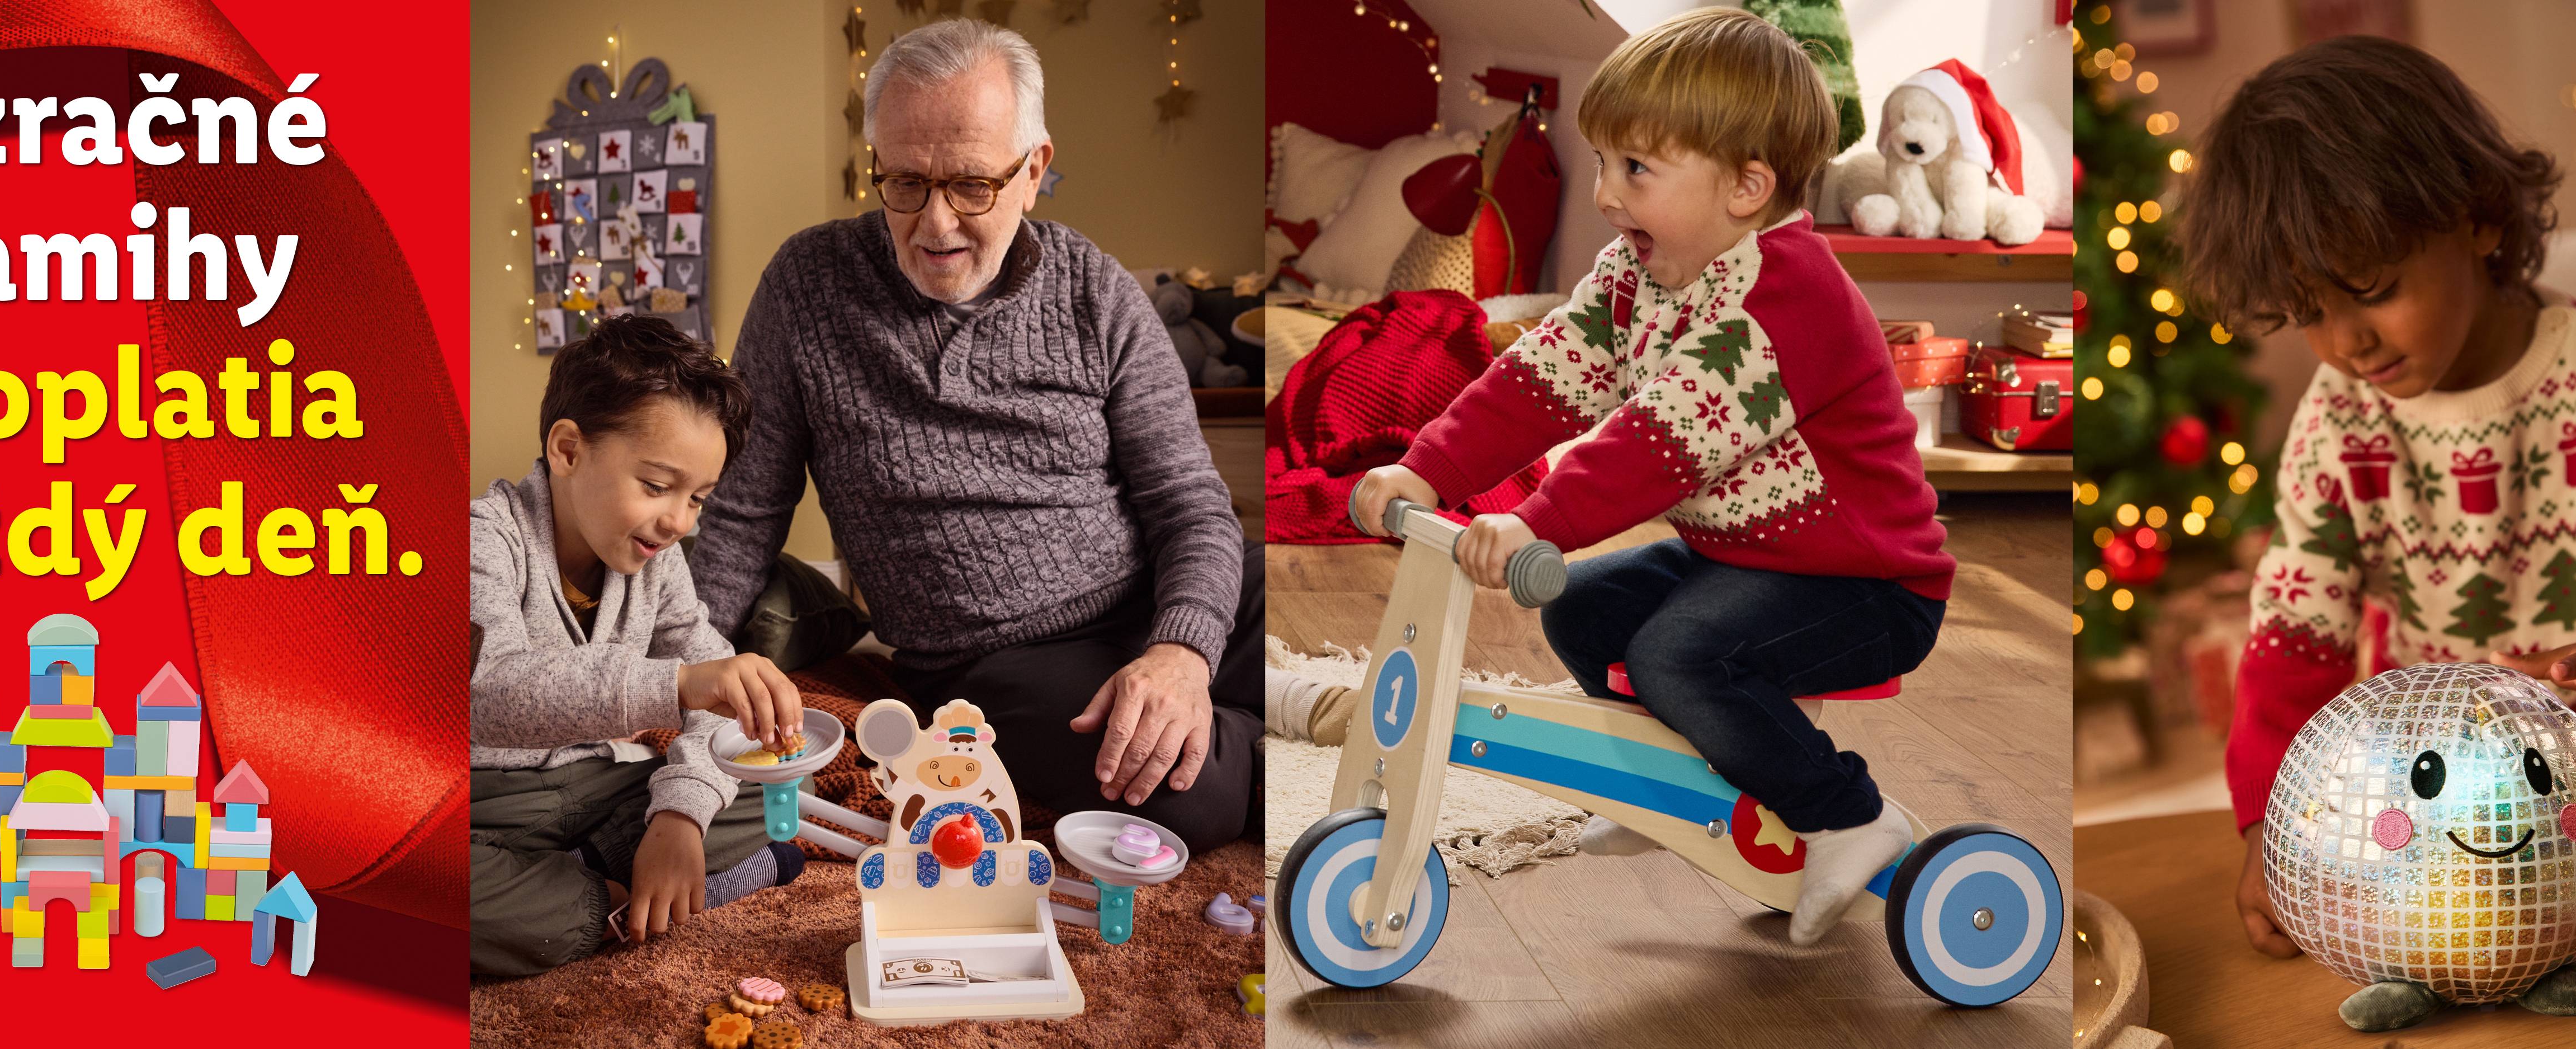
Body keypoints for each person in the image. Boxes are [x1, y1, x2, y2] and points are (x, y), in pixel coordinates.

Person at [1342, 7, 1955, 945]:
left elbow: (1658, 439)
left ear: (1746, 186)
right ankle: (1665, 783)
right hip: (1747, 558)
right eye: (1603, 163)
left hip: (1866, 585)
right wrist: (1426, 468)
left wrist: (1538, 520)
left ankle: (1850, 817)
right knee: (1583, 610)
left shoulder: (1787, 299)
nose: (1604, 196)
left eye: (1635, 170)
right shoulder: (1639, 273)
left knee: (1678, 652)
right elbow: (1540, 380)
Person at [2186, 36, 2576, 980]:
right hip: (2429, 778)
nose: (2345, 342)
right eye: (2307, 312)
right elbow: (2295, 630)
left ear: (2475, 218)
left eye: (2373, 292)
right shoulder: (2339, 418)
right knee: (2460, 966)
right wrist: (2267, 821)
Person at [690, 19, 1260, 855]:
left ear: (1033, 170)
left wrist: (1180, 649)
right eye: (906, 182)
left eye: (969, 185)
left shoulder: (1094, 289)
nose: (935, 222)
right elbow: (742, 512)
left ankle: (1241, 701)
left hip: (1152, 591)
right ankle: (1265, 730)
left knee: (1309, 611)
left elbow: (1190, 505)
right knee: (1179, 793)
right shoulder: (805, 288)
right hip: (998, 663)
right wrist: (674, 666)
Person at [469, 314, 807, 976]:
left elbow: (714, 686)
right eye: (656, 487)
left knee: (778, 781)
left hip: (591, 788)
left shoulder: (657, 559)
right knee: (412, 896)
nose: (678, 521)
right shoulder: (482, 541)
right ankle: (606, 896)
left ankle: (594, 883)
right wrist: (678, 685)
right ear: (568, 450)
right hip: (479, 803)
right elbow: (492, 693)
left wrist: (679, 817)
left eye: (698, 499)